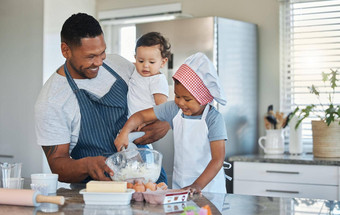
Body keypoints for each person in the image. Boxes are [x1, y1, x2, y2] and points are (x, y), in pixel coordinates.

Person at [34, 13, 169, 183]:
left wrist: (165, 122)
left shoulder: (118, 65)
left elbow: (153, 84)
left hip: (146, 176)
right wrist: (86, 165)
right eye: (90, 56)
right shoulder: (51, 102)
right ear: (65, 50)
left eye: (102, 52)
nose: (99, 62)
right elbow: (57, 165)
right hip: (98, 192)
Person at [115, 52, 228, 194]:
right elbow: (140, 116)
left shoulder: (213, 119)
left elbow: (217, 160)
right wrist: (124, 133)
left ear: (203, 98)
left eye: (187, 99)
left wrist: (197, 185)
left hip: (208, 187)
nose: (180, 102)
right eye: (177, 95)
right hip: (180, 183)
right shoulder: (174, 109)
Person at [127, 32, 171, 118]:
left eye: (151, 62)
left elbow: (162, 108)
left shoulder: (158, 80)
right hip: (131, 120)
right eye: (141, 61)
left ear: (163, 62)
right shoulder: (136, 69)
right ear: (135, 58)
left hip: (148, 121)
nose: (145, 65)